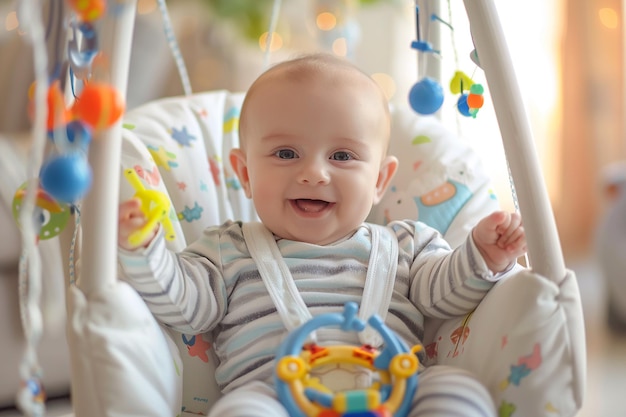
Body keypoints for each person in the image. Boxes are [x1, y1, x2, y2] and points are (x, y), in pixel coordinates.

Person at [117, 53, 526, 417]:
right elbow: (188, 308)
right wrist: (145, 249)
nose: (314, 172)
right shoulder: (227, 249)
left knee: (458, 388)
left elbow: (445, 296)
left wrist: (483, 254)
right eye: (286, 153)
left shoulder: (406, 246)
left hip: (397, 393)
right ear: (244, 173)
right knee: (241, 409)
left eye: (342, 156)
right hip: (275, 395)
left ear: (381, 179)